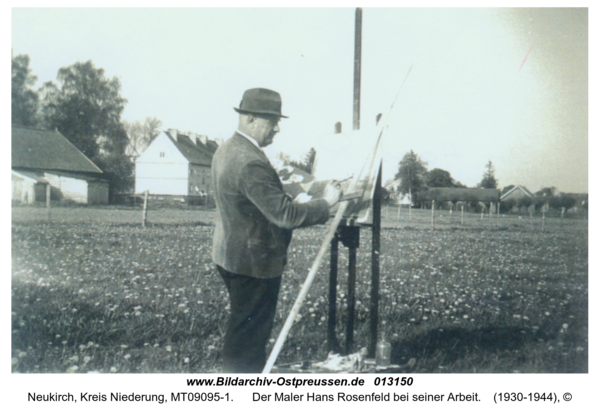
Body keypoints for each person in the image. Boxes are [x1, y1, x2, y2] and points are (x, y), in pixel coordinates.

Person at [211, 88, 342, 373]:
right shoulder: (251, 161)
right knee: (249, 339)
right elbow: (285, 215)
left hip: (231, 254)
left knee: (242, 329)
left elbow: (257, 199)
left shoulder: (228, 149)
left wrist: (294, 192)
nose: (277, 128)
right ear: (251, 119)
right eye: (272, 121)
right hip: (253, 262)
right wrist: (326, 203)